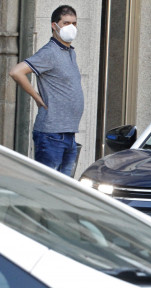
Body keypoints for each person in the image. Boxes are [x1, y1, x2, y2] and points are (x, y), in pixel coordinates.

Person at [8, 5, 84, 177]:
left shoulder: (70, 52)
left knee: (63, 189)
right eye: (65, 23)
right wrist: (36, 97)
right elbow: (16, 71)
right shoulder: (49, 52)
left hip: (69, 133)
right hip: (51, 134)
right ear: (54, 25)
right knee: (46, 186)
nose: (71, 27)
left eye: (74, 23)